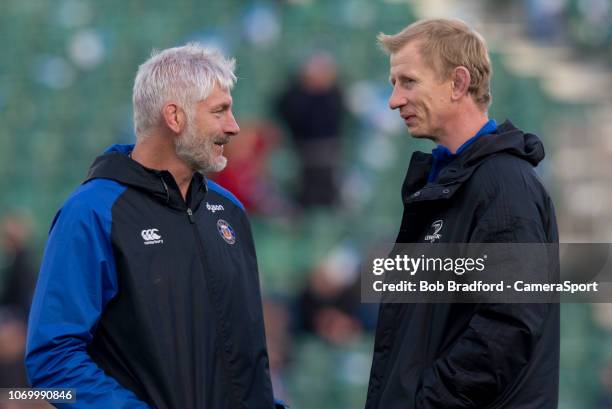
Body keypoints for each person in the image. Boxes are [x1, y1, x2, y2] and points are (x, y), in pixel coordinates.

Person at [25, 44, 284, 409]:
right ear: (174, 118)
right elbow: (52, 361)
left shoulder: (230, 212)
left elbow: (242, 361)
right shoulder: (92, 213)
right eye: (220, 111)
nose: (234, 126)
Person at [365, 19, 559, 409]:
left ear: (457, 83)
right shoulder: (449, 182)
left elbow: (509, 323)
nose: (394, 100)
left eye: (408, 82)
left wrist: (428, 402)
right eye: (393, 84)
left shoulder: (504, 185)